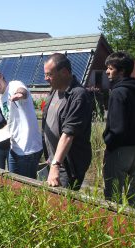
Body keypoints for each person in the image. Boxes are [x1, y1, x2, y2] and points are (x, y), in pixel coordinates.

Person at [42, 53, 93, 190]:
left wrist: (55, 165)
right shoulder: (54, 90)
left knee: (61, 205)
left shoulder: (78, 95)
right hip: (54, 161)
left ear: (64, 72)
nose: (46, 78)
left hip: (68, 165)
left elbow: (69, 133)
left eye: (49, 74)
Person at [0, 66, 43, 179]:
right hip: (14, 149)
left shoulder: (14, 85)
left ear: (1, 75)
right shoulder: (1, 99)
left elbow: (22, 90)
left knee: (27, 189)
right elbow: (11, 123)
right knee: (13, 185)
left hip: (28, 149)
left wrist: (19, 94)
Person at [103, 51, 135, 206]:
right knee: (131, 190)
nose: (107, 71)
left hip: (119, 150)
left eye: (110, 68)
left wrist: (108, 143)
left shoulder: (118, 92)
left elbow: (117, 128)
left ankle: (113, 226)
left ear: (121, 70)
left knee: (112, 193)